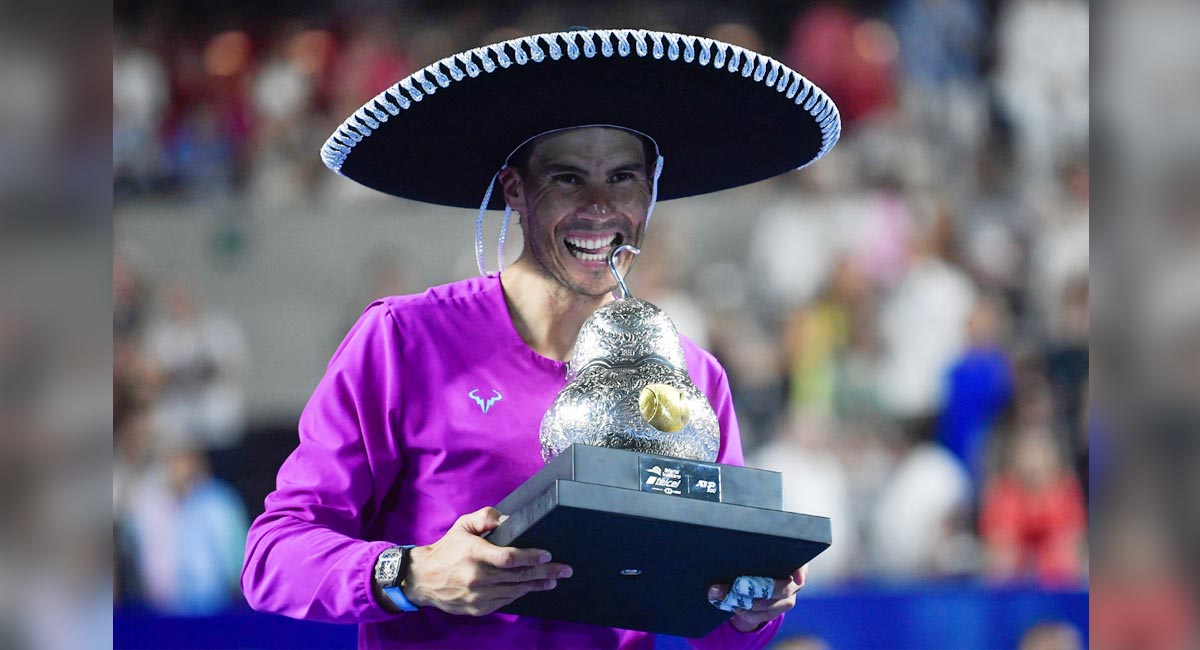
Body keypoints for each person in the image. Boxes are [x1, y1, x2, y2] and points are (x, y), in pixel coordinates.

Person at [243, 28, 841, 648]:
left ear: (650, 191)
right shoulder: (403, 342)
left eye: (624, 179)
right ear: (516, 192)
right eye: (568, 179)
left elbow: (718, 628)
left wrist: (753, 608)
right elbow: (272, 556)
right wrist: (412, 574)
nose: (601, 208)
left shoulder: (693, 376)